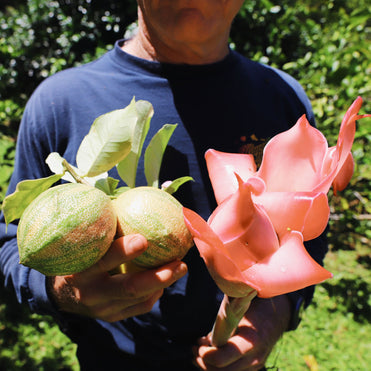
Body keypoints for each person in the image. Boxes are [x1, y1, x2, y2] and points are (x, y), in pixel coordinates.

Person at [0, 1, 328, 370]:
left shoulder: (284, 98)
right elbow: (10, 243)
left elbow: (308, 237)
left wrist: (274, 316)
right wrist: (61, 291)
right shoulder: (58, 101)